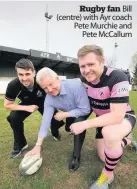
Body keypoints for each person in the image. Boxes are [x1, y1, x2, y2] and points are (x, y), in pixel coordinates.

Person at [70, 45, 137, 188]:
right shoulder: (83, 80)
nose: (86, 70)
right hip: (102, 120)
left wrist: (83, 124)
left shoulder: (118, 77)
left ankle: (107, 176)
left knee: (110, 133)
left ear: (102, 61)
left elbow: (116, 117)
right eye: (82, 66)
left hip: (123, 117)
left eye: (91, 64)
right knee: (103, 156)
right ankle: (127, 141)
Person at [25, 67, 91, 171]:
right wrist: (38, 145)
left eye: (51, 84)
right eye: (45, 88)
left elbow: (86, 110)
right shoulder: (49, 99)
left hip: (82, 108)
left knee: (78, 124)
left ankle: (76, 156)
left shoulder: (76, 86)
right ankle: (64, 128)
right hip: (70, 110)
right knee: (68, 128)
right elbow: (45, 121)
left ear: (57, 78)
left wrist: (65, 114)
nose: (49, 90)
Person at [4, 59, 64, 159]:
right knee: (13, 117)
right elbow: (7, 104)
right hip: (26, 103)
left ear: (33, 72)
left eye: (27, 74)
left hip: (43, 101)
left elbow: (54, 88)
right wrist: (27, 107)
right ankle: (21, 144)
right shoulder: (13, 85)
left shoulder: (40, 80)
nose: (24, 78)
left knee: (55, 117)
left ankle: (55, 132)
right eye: (21, 74)